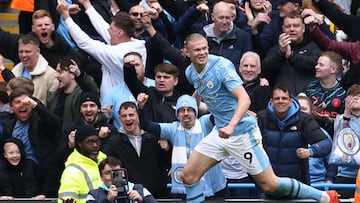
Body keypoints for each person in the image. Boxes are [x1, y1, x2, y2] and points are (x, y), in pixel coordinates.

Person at [180, 33, 338, 203]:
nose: (203, 52)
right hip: (219, 133)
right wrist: (193, 105)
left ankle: (324, 197)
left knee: (270, 184)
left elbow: (244, 99)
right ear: (186, 51)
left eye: (205, 48)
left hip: (241, 133)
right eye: (197, 50)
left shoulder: (221, 67)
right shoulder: (191, 72)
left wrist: (231, 126)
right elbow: (203, 91)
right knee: (188, 176)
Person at [137, 93, 226, 199]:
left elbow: (220, 115)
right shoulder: (173, 129)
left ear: (195, 113)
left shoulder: (204, 123)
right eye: (182, 110)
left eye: (190, 110)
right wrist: (141, 108)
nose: (186, 113)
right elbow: (147, 125)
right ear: (177, 114)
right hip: (186, 186)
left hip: (213, 185)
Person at [56, 0, 146, 100]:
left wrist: (66, 17)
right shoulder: (137, 45)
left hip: (119, 106)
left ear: (120, 33)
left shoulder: (117, 54)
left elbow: (84, 42)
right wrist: (87, 4)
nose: (108, 30)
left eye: (111, 29)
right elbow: (102, 26)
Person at [257, 85, 332, 187]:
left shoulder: (304, 119)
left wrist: (311, 151)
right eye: (277, 98)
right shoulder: (262, 118)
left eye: (284, 98)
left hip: (297, 183)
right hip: (268, 182)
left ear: (290, 101)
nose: (280, 101)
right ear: (271, 101)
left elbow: (326, 143)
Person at [1, 88, 61, 196]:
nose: (22, 105)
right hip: (19, 179)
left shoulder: (40, 122)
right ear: (11, 107)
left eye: (25, 101)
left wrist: (36, 106)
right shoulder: (9, 125)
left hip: (43, 178)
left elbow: (55, 123)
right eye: (17, 102)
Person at [102, 101, 170, 198]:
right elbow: (102, 159)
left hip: (157, 195)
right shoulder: (114, 142)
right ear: (120, 118)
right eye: (124, 116)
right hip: (131, 195)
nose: (128, 119)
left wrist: (167, 149)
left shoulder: (154, 137)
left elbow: (167, 162)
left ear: (138, 116)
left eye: (131, 115)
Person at [261, 11, 321, 95]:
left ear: (303, 28)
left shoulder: (314, 46)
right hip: (282, 100)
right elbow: (265, 71)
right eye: (288, 26)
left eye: (296, 26)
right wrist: (280, 53)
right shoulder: (276, 49)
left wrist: (291, 56)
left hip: (309, 99)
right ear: (283, 29)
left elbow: (316, 63)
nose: (292, 29)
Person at [101, 52, 155, 129]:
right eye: (129, 66)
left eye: (136, 65)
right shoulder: (112, 94)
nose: (133, 69)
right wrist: (106, 116)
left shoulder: (156, 87)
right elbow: (104, 122)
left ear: (143, 66)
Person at [47, 55, 99, 133]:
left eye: (60, 72)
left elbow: (93, 92)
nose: (56, 76)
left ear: (72, 74)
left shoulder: (81, 94)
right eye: (56, 71)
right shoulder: (55, 95)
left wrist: (80, 75)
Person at [58, 124, 107, 203]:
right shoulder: (72, 171)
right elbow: (66, 200)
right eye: (89, 142)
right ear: (79, 144)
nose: (95, 145)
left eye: (96, 141)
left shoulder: (105, 161)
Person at [6, 33, 58, 105]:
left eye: (27, 51)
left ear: (37, 51)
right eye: (21, 52)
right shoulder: (15, 72)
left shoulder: (51, 76)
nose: (23, 55)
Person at [303, 51, 346, 136]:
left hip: (337, 140)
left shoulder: (344, 91)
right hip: (311, 138)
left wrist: (329, 120)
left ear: (333, 69)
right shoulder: (309, 88)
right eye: (317, 64)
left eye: (321, 65)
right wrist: (312, 111)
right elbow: (299, 115)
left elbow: (348, 123)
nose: (316, 67)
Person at [296, 94, 337, 184]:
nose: (300, 112)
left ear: (311, 112)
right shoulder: (283, 132)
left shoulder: (322, 134)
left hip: (318, 185)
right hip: (292, 185)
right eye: (297, 108)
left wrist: (329, 181)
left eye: (304, 109)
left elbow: (332, 162)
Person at [200, 1, 253, 69]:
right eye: (221, 18)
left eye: (227, 18)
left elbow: (248, 65)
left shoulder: (243, 37)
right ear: (213, 17)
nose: (224, 22)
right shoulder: (202, 37)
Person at [86, 156, 158, 203]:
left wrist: (142, 201)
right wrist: (107, 201)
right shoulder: (93, 195)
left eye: (116, 172)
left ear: (123, 173)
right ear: (101, 177)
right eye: (107, 173)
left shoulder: (139, 189)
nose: (112, 176)